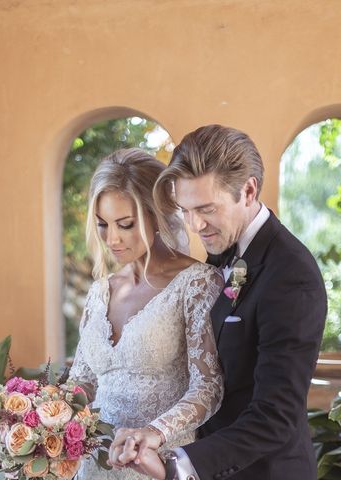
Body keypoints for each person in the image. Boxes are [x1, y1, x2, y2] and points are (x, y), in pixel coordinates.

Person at [109, 125, 327, 479]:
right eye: (186, 210)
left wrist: (178, 464)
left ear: (249, 190)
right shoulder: (224, 251)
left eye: (206, 208)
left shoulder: (291, 274)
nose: (195, 225)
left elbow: (276, 415)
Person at [68, 148, 225, 479]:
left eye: (125, 224)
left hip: (158, 462)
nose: (112, 239)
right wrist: (38, 411)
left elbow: (208, 389)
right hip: (95, 466)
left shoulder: (196, 284)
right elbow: (83, 382)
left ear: (156, 215)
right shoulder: (100, 292)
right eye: (102, 224)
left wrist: (152, 433)